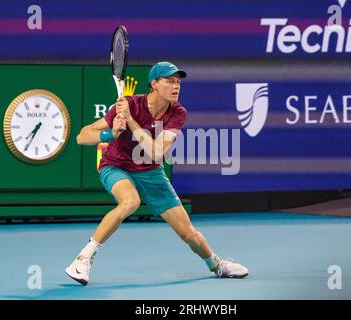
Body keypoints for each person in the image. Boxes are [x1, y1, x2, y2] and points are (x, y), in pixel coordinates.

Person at [65, 61, 249, 285]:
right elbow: (82, 136)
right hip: (116, 166)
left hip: (151, 171)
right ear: (154, 84)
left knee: (188, 233)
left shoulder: (177, 113)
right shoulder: (130, 104)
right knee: (129, 202)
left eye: (178, 82)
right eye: (169, 81)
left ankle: (216, 264)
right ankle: (83, 259)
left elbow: (155, 152)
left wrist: (131, 121)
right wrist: (111, 134)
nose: (176, 86)